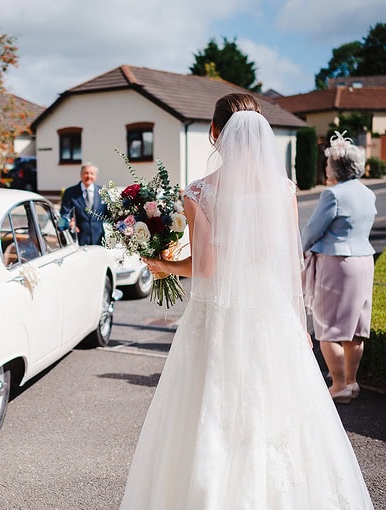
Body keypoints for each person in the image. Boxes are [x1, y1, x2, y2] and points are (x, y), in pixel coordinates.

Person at [120, 93, 373, 508]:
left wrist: (163, 266)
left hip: (217, 314)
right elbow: (290, 264)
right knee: (277, 411)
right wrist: (299, 324)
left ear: (215, 134)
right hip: (271, 313)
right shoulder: (284, 188)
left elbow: (205, 267)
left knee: (210, 412)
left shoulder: (201, 191)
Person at [301, 132, 376, 404]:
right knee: (355, 327)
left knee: (329, 327)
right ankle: (352, 382)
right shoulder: (368, 194)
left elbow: (312, 231)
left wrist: (297, 251)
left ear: (335, 167)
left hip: (337, 264)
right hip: (364, 262)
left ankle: (339, 384)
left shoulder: (332, 194)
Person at [60, 162, 107, 245]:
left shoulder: (103, 192)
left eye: (91, 173)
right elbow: (64, 213)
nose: (88, 176)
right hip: (79, 238)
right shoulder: (70, 193)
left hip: (99, 239)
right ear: (81, 175)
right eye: (86, 173)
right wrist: (69, 223)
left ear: (95, 176)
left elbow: (109, 213)